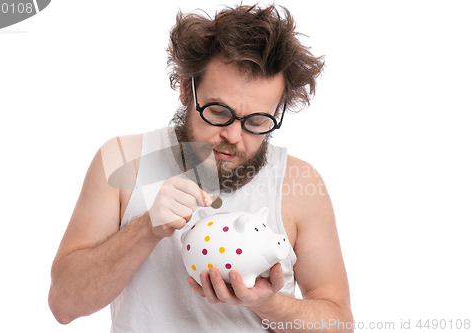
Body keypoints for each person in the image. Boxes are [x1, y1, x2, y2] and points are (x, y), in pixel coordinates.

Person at [49, 4, 353, 332]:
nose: (234, 136)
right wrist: (145, 229)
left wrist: (265, 302)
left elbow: (338, 324)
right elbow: (65, 304)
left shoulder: (299, 183)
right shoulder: (123, 160)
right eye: (219, 112)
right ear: (185, 88)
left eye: (257, 121)